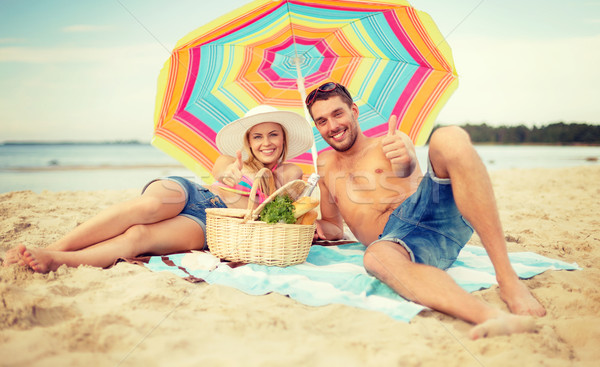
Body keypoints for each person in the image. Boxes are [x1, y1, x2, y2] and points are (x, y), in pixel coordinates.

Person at [305, 82, 546, 339]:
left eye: (337, 114)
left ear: (354, 111)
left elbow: (406, 167)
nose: (332, 126)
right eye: (321, 121)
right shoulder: (324, 165)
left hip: (430, 211)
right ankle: (491, 318)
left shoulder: (390, 141)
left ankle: (508, 279)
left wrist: (405, 159)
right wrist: (318, 229)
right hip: (401, 245)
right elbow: (333, 225)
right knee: (374, 258)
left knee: (447, 137)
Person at [4, 105, 314, 273]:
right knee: (148, 208)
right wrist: (234, 175)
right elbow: (223, 175)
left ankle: (56, 259)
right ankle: (59, 245)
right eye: (257, 137)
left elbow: (279, 211)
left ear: (284, 139)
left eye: (273, 135)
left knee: (139, 236)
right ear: (248, 141)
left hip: (213, 223)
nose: (267, 142)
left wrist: (266, 179)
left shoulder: (291, 172)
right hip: (195, 193)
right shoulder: (231, 159)